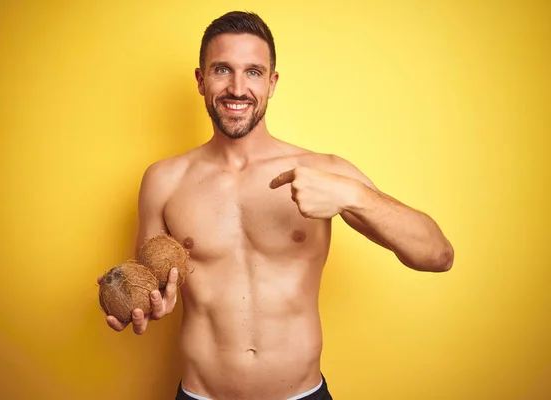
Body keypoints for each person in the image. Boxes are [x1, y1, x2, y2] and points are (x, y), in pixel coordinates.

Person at [100, 11, 454, 400]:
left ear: (272, 82)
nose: (238, 88)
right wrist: (149, 305)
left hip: (301, 394)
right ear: (201, 81)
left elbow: (437, 254)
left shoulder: (323, 172)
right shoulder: (163, 180)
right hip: (202, 395)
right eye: (222, 70)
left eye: (253, 72)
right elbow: (150, 280)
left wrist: (353, 195)